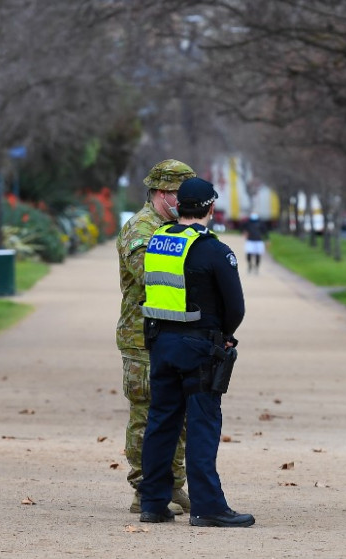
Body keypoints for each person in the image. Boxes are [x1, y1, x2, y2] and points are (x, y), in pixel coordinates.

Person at [138, 177, 254, 528]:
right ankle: (208, 507)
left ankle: (153, 504)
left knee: (161, 423)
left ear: (178, 206)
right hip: (200, 345)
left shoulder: (158, 241)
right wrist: (227, 335)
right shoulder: (214, 250)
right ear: (210, 208)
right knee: (202, 424)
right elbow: (235, 306)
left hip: (162, 343)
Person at [117, 159, 196, 515]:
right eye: (181, 193)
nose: (186, 200)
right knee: (147, 413)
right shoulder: (141, 228)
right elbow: (147, 273)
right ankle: (145, 487)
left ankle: (172, 483)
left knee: (177, 414)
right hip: (142, 336)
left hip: (174, 333)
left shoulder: (177, 226)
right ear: (162, 193)